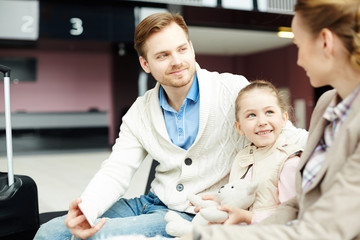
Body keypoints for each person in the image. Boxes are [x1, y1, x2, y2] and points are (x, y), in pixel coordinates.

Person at [34, 12, 307, 240]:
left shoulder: (232, 88)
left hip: (195, 214)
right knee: (50, 232)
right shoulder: (138, 112)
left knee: (102, 237)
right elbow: (117, 169)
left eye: (182, 49)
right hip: (150, 202)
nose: (177, 61)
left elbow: (285, 133)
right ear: (145, 64)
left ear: (191, 47)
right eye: (163, 55)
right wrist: (88, 209)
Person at [182, 0, 360, 239]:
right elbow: (299, 204)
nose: (298, 60)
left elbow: (323, 230)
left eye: (298, 44)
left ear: (326, 42)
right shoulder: (327, 103)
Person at [218, 80, 303, 225]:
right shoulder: (241, 158)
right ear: (239, 127)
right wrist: (221, 204)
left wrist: (248, 217)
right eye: (251, 115)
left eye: (269, 112)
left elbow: (292, 216)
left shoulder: (289, 161)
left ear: (283, 119)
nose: (262, 121)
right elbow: (239, 198)